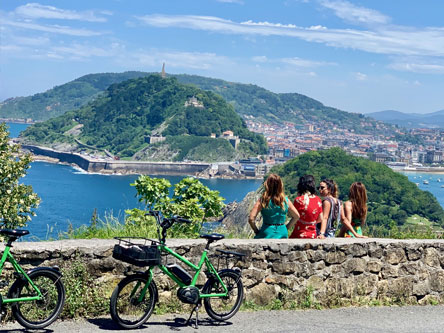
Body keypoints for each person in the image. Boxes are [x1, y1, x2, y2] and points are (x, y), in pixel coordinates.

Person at [249, 173, 300, 239]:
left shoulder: (263, 200)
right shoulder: (285, 200)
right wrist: (286, 228)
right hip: (282, 232)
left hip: (266, 232)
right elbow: (296, 216)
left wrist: (256, 231)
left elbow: (251, 219)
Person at [288, 175, 323, 239]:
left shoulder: (299, 200)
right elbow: (320, 218)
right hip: (312, 234)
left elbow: (293, 216)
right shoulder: (318, 200)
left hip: (299, 233)